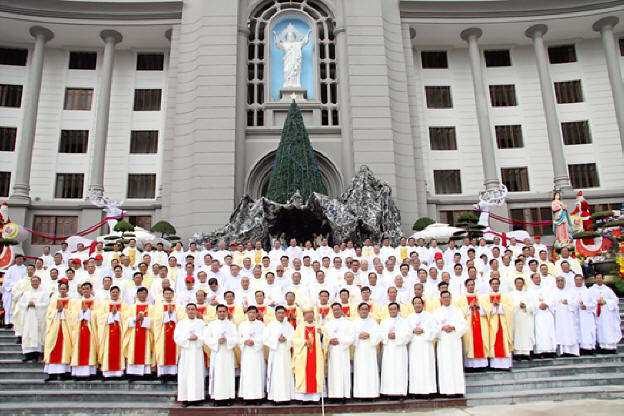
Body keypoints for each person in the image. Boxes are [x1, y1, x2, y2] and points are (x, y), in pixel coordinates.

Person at [433, 291, 468, 396]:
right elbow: (433, 327)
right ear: (441, 299)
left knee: (456, 365)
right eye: (444, 297)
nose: (446, 299)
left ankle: (458, 390)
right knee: (445, 365)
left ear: (450, 298)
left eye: (447, 297)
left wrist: (454, 327)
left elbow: (464, 325)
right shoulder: (437, 312)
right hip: (443, 341)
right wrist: (442, 327)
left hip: (454, 341)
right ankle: (446, 391)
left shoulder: (457, 311)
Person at [203, 304, 238, 405]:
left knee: (228, 375)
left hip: (228, 353)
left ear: (227, 312)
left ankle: (228, 398)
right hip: (217, 353)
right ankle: (217, 398)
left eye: (224, 311)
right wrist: (217, 341)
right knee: (217, 375)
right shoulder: (212, 325)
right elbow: (206, 338)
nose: (222, 313)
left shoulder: (231, 325)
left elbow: (236, 338)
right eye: (220, 311)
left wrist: (227, 340)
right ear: (216, 313)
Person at [174, 303, 207, 406]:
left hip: (197, 351)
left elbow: (206, 336)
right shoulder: (181, 324)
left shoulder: (201, 323)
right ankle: (185, 398)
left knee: (197, 374)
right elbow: (176, 337)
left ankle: (197, 398)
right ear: (186, 311)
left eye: (193, 309)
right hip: (186, 352)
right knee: (185, 374)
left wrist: (198, 338)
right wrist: (188, 338)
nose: (191, 311)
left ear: (196, 311)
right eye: (189, 309)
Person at [292, 306, 324, 402]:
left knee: (315, 375)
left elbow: (324, 341)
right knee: (303, 375)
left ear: (314, 315)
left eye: (311, 313)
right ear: (303, 316)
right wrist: (304, 342)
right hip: (303, 357)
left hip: (316, 356)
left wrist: (321, 335)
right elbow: (294, 340)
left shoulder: (318, 327)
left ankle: (315, 398)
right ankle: (302, 398)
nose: (309, 315)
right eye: (307, 313)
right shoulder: (300, 327)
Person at [264, 305, 295, 403]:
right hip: (275, 353)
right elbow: (265, 339)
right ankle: (275, 397)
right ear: (275, 314)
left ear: (285, 314)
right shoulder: (270, 325)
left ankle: (287, 397)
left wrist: (286, 339)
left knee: (286, 374)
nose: (281, 315)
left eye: (283, 313)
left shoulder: (289, 326)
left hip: (285, 353)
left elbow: (293, 338)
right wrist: (277, 339)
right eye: (279, 313)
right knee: (276, 374)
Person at [406, 296, 437, 395]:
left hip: (426, 345)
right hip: (414, 345)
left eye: (419, 303)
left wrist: (424, 330)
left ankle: (429, 391)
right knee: (415, 368)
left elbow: (435, 330)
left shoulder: (429, 316)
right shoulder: (409, 318)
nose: (417, 305)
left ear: (422, 304)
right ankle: (415, 391)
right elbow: (405, 331)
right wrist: (412, 330)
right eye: (415, 303)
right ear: (413, 305)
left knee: (427, 367)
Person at [324, 302, 355, 401]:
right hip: (332, 351)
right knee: (333, 373)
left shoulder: (348, 323)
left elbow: (352, 337)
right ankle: (333, 395)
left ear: (341, 310)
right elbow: (325, 337)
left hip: (342, 351)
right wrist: (329, 341)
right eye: (334, 310)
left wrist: (340, 341)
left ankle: (343, 395)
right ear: (332, 311)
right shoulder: (328, 324)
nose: (336, 311)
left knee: (343, 372)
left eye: (338, 309)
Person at [456, 279, 489, 370]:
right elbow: (458, 312)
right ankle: (470, 366)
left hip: (481, 324)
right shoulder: (461, 299)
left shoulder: (481, 298)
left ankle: (482, 365)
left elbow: (488, 310)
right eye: (469, 285)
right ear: (466, 286)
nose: (471, 287)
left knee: (481, 342)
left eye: (472, 285)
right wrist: (468, 307)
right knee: (470, 344)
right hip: (469, 325)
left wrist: (479, 307)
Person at [379, 302, 410, 397]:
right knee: (389, 370)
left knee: (400, 369)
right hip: (389, 349)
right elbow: (380, 334)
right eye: (391, 309)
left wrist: (397, 336)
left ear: (398, 310)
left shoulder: (404, 322)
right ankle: (389, 392)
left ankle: (400, 392)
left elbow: (408, 334)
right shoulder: (384, 322)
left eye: (394, 309)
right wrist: (387, 336)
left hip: (400, 349)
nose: (392, 311)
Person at [122, 287, 154, 378]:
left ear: (147, 295)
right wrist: (135, 319)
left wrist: (145, 320)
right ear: (137, 295)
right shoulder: (131, 307)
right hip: (133, 334)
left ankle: (146, 373)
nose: (142, 295)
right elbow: (125, 319)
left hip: (146, 334)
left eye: (144, 293)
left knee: (146, 351)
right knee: (133, 352)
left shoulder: (151, 308)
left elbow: (155, 321)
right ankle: (132, 373)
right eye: (140, 293)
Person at [43, 281, 72, 381]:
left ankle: (64, 373)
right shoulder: (54, 301)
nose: (62, 291)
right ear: (59, 289)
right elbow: (49, 314)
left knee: (65, 349)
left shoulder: (71, 301)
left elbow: (73, 314)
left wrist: (64, 311)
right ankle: (52, 374)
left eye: (64, 289)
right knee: (52, 348)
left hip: (66, 329)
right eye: (61, 289)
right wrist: (57, 311)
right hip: (54, 328)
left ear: (67, 290)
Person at [18, 276, 50, 362]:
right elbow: (21, 304)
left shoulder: (44, 294)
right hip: (28, 318)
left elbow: (47, 304)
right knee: (27, 334)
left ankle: (37, 354)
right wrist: (27, 304)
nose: (34, 283)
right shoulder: (26, 294)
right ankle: (28, 354)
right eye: (33, 281)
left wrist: (35, 305)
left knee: (38, 334)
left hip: (38, 318)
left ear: (39, 282)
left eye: (36, 281)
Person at [238, 306, 266, 402]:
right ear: (247, 314)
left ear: (257, 314)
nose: (252, 314)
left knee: (257, 374)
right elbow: (238, 338)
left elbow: (264, 338)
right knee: (247, 374)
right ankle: (247, 397)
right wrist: (244, 341)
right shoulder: (242, 325)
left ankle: (258, 397)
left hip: (257, 353)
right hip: (247, 353)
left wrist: (255, 342)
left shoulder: (261, 325)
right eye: (250, 312)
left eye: (254, 312)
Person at [588, 273, 622, 353]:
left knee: (608, 330)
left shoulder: (608, 290)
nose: (599, 280)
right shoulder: (591, 290)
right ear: (595, 279)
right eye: (597, 278)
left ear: (603, 279)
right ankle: (601, 347)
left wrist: (606, 301)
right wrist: (596, 302)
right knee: (600, 330)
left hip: (607, 315)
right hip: (598, 314)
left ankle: (610, 347)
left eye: (600, 278)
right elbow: (588, 301)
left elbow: (615, 300)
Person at [352, 302, 380, 399]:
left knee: (370, 371)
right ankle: (360, 394)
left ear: (369, 311)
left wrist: (370, 335)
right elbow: (351, 335)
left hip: (370, 350)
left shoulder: (373, 322)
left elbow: (378, 334)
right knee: (360, 371)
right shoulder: (354, 323)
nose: (364, 311)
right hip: (359, 350)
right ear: (358, 311)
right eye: (362, 309)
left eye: (366, 309)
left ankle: (372, 394)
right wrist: (358, 336)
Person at [70, 283, 98, 378]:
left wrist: (89, 312)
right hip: (79, 330)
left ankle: (90, 373)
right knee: (78, 350)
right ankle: (78, 373)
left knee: (90, 350)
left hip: (91, 331)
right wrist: (81, 312)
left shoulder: (96, 302)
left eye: (87, 288)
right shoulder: (77, 303)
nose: (85, 290)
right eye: (84, 289)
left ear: (91, 290)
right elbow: (72, 315)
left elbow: (99, 315)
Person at [96, 285, 124, 378]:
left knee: (119, 351)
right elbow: (100, 316)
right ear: (110, 293)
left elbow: (127, 317)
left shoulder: (123, 304)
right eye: (113, 292)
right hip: (107, 332)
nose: (115, 294)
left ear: (119, 293)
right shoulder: (105, 304)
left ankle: (119, 373)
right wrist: (111, 314)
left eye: (116, 292)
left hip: (120, 332)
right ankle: (107, 373)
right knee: (107, 350)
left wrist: (118, 314)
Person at [153, 287, 181, 382]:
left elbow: (182, 319)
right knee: (162, 353)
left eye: (170, 294)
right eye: (166, 294)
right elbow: (156, 320)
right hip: (162, 334)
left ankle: (173, 374)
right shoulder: (159, 307)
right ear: (163, 295)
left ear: (173, 295)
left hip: (175, 333)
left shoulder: (178, 307)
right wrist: (166, 314)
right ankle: (163, 375)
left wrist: (173, 314)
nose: (168, 296)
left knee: (175, 353)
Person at [487, 278, 514, 369]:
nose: (495, 285)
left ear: (499, 284)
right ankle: (495, 365)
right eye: (493, 284)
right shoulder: (487, 297)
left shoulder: (505, 296)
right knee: (494, 343)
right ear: (490, 285)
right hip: (492, 324)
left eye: (497, 283)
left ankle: (506, 365)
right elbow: (485, 309)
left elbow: (510, 308)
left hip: (503, 323)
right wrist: (492, 306)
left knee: (504, 343)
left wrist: (500, 305)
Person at [528, 273, 556, 358]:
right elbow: (529, 301)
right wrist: (538, 305)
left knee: (549, 331)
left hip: (547, 312)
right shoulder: (529, 290)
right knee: (539, 332)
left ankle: (550, 351)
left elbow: (552, 298)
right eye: (536, 278)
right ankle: (540, 351)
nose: (538, 279)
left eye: (539, 278)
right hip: (537, 313)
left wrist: (546, 304)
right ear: (532, 279)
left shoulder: (546, 288)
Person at [552, 276, 579, 356]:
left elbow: (576, 302)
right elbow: (551, 304)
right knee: (560, 333)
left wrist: (568, 302)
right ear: (556, 282)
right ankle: (562, 351)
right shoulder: (553, 292)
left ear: (564, 282)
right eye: (558, 281)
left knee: (570, 333)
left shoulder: (570, 291)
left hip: (569, 316)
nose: (560, 282)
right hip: (559, 317)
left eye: (561, 280)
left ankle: (572, 351)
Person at [508, 277, 534, 360]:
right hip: (516, 318)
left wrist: (526, 306)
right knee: (517, 335)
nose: (519, 284)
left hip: (526, 317)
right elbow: (509, 306)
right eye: (518, 283)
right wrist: (518, 305)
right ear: (515, 284)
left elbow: (532, 306)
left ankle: (526, 353)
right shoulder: (511, 294)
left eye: (521, 283)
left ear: (523, 284)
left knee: (526, 334)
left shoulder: (528, 294)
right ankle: (517, 353)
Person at [571, 275, 597, 354]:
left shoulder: (588, 291)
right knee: (577, 331)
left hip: (586, 315)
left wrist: (587, 306)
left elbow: (594, 303)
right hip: (576, 315)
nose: (578, 281)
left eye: (580, 279)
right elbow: (569, 303)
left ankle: (589, 348)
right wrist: (576, 304)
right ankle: (579, 348)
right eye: (577, 280)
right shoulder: (571, 291)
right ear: (574, 281)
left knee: (587, 331)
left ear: (582, 280)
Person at [3, 254, 27, 328]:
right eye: (18, 259)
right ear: (15, 260)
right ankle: (8, 322)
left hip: (21, 291)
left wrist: (20, 287)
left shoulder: (25, 269)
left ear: (23, 260)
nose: (19, 260)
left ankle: (17, 324)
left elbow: (26, 280)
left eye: (21, 259)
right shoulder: (11, 269)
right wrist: (15, 285)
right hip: (11, 290)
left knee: (19, 308)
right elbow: (6, 280)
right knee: (9, 307)